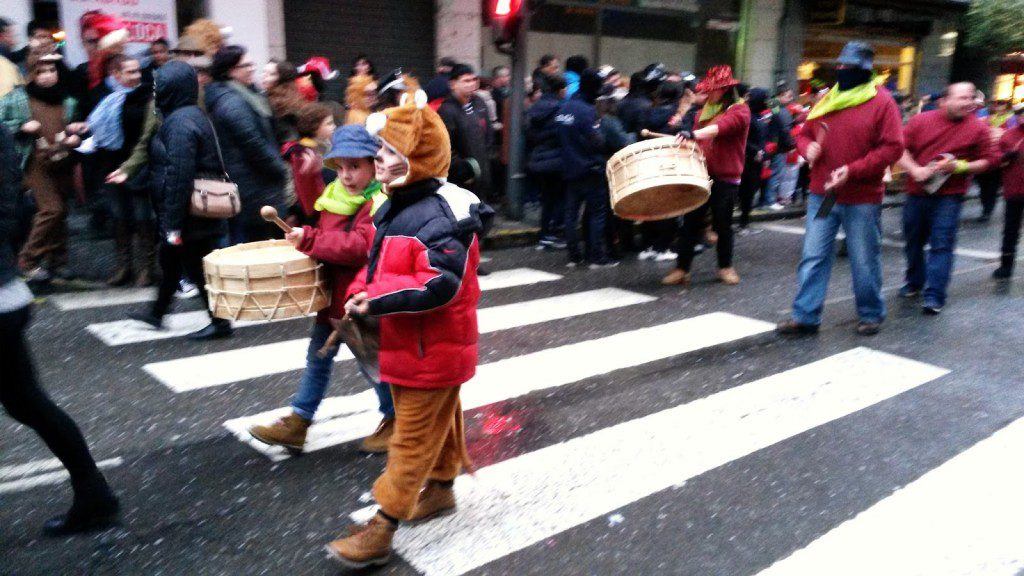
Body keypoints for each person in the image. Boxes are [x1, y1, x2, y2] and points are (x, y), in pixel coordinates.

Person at [325, 90, 486, 568]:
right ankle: (440, 489)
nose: (379, 159)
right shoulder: (393, 205)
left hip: (431, 347)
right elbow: (375, 265)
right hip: (414, 343)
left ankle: (382, 527)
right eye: (381, 150)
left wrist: (375, 299)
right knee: (441, 417)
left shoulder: (440, 215)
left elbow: (440, 283)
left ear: (418, 157)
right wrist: (361, 290)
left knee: (410, 438)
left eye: (390, 152)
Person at [0, 120, 120, 537]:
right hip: (7, 296)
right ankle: (94, 493)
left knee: (27, 401)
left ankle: (94, 493)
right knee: (25, 401)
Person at [249, 124, 391, 454]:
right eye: (340, 167)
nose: (346, 175)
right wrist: (308, 175)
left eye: (354, 166)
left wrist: (310, 239)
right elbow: (317, 209)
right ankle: (299, 421)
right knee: (320, 357)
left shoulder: (378, 201)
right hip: (334, 296)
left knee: (370, 363)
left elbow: (359, 246)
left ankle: (396, 418)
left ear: (374, 164)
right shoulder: (341, 194)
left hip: (358, 298)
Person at [776, 41, 904, 337]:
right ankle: (805, 316)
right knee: (813, 255)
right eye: (841, 66)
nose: (843, 70)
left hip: (861, 197)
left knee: (863, 258)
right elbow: (804, 134)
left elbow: (893, 148)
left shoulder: (882, 102)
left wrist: (853, 170)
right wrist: (808, 149)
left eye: (850, 67)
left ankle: (871, 313)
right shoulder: (827, 99)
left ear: (865, 70)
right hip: (824, 195)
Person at [129, 61, 232, 341]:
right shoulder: (192, 115)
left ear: (171, 88)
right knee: (171, 261)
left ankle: (220, 323)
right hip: (188, 210)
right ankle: (157, 312)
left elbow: (179, 175)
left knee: (197, 269)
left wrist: (172, 224)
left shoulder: (179, 123)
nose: (155, 89)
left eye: (159, 84)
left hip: (188, 213)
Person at [896, 82, 998, 315]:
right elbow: (899, 149)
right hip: (916, 193)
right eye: (962, 98)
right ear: (944, 101)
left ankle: (934, 295)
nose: (968, 102)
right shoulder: (920, 121)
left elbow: (989, 161)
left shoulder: (979, 128)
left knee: (942, 244)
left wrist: (959, 166)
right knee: (913, 241)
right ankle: (914, 281)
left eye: (971, 98)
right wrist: (915, 170)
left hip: (949, 197)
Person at [662, 65, 750, 287]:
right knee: (690, 224)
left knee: (723, 225)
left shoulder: (739, 110)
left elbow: (721, 128)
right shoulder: (702, 113)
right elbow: (698, 141)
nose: (707, 93)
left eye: (712, 89)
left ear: (724, 90)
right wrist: (686, 140)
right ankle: (682, 269)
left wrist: (693, 133)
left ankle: (725, 267)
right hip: (700, 175)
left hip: (726, 178)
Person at [1, 53, 82, 283]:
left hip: (62, 158)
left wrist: (76, 133)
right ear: (32, 74)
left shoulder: (67, 99)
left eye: (52, 70)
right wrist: (21, 126)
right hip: (34, 161)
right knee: (51, 209)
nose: (47, 76)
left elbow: (75, 126)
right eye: (41, 71)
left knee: (62, 211)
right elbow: (1, 121)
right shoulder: (18, 97)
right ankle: (27, 259)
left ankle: (57, 260)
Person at [86, 54, 158, 287]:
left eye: (138, 71)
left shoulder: (147, 96)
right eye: (130, 72)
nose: (136, 76)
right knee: (119, 217)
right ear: (116, 74)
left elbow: (148, 135)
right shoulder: (105, 98)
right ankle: (124, 267)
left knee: (142, 217)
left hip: (138, 166)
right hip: (110, 165)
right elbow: (94, 127)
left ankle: (147, 268)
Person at [205, 45, 289, 244]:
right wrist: (280, 169)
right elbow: (253, 144)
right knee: (262, 246)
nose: (252, 68)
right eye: (246, 65)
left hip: (258, 184)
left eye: (252, 64)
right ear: (230, 70)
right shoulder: (232, 102)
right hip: (254, 187)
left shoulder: (246, 94)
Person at [557, 68, 616, 269]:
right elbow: (596, 141)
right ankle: (596, 256)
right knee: (596, 214)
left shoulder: (565, 109)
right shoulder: (588, 111)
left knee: (571, 214)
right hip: (590, 168)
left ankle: (573, 255)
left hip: (569, 168)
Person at [438, 63, 493, 200]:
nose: (471, 84)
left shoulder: (479, 103)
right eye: (466, 81)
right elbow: (444, 146)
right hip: (461, 178)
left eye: (474, 80)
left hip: (482, 171)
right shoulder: (447, 111)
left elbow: (488, 134)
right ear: (453, 84)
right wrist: (463, 168)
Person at [526, 74, 567, 250]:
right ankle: (552, 233)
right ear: (561, 90)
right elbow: (562, 134)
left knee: (547, 199)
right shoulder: (560, 109)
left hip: (538, 157)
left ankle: (544, 233)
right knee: (558, 198)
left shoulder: (535, 107)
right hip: (556, 158)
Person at [281, 102, 335, 221]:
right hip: (311, 211)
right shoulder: (302, 153)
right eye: (329, 123)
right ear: (314, 127)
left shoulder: (326, 145)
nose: (334, 127)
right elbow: (300, 186)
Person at [993, 102, 1024, 280]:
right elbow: (997, 161)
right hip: (1013, 191)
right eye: (1020, 113)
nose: (1023, 116)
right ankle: (1006, 266)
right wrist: (1005, 157)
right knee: (1010, 230)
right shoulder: (1008, 136)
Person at [976, 99, 1015, 222]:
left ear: (1007, 106)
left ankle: (987, 210)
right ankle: (986, 205)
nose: (998, 106)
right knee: (982, 185)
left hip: (1000, 158)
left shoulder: (1012, 119)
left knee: (992, 186)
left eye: (1001, 104)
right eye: (996, 104)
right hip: (985, 156)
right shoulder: (988, 118)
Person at [262, 59, 304, 144]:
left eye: (272, 74)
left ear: (282, 78)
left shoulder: (271, 101)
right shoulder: (294, 98)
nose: (264, 76)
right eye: (264, 72)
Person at [0, 18, 24, 98]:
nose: (16, 40)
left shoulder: (7, 57)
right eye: (13, 35)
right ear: (2, 36)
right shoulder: (4, 62)